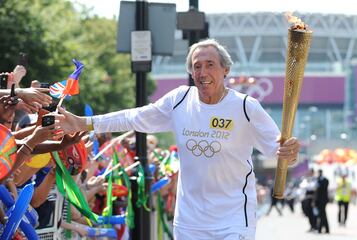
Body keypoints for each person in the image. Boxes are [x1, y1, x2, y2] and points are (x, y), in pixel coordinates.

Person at [55, 38, 300, 240]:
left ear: (226, 70)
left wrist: (289, 152)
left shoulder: (246, 107)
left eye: (210, 65)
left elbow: (277, 151)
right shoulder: (180, 101)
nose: (202, 72)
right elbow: (133, 117)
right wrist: (83, 123)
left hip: (234, 218)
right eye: (197, 66)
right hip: (190, 221)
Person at [315, 169, 329, 233]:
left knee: (321, 214)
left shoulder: (325, 180)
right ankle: (326, 228)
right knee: (323, 214)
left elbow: (323, 188)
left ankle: (320, 229)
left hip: (323, 200)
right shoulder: (316, 180)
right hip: (318, 200)